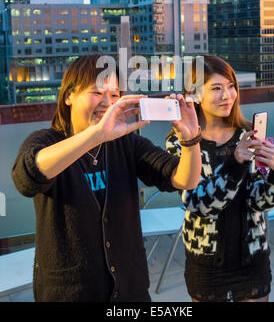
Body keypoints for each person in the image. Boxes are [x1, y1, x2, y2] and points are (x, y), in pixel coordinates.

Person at [12, 53, 202, 302]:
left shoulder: (125, 143)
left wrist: (190, 139)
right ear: (69, 96)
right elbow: (26, 177)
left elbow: (184, 179)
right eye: (97, 93)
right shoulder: (46, 141)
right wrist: (96, 135)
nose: (107, 103)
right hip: (70, 293)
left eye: (114, 95)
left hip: (128, 290)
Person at [166, 55, 274, 303]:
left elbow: (259, 203)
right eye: (216, 88)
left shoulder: (247, 134)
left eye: (231, 86)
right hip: (207, 264)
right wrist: (236, 163)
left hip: (252, 259)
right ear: (195, 94)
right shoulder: (182, 143)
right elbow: (198, 203)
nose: (228, 95)